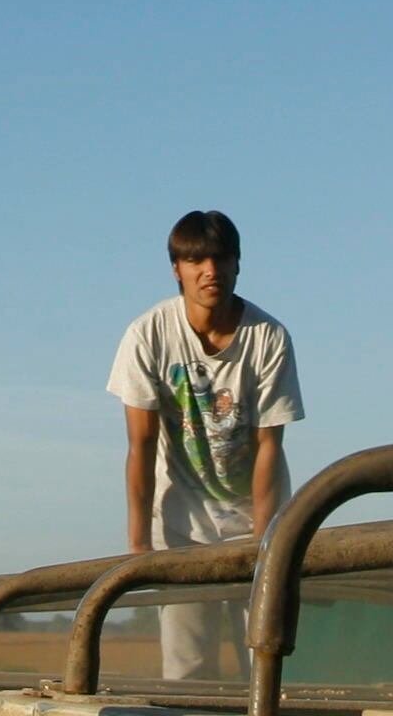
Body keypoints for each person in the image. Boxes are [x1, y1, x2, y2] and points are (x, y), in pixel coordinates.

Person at [107, 209, 303, 684]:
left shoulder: (267, 338)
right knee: (188, 668)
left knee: (263, 658)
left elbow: (267, 447)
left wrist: (265, 541)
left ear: (238, 265)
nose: (209, 271)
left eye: (220, 258)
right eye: (195, 260)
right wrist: (138, 545)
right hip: (179, 525)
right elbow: (140, 444)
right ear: (177, 269)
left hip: (254, 519)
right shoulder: (148, 334)